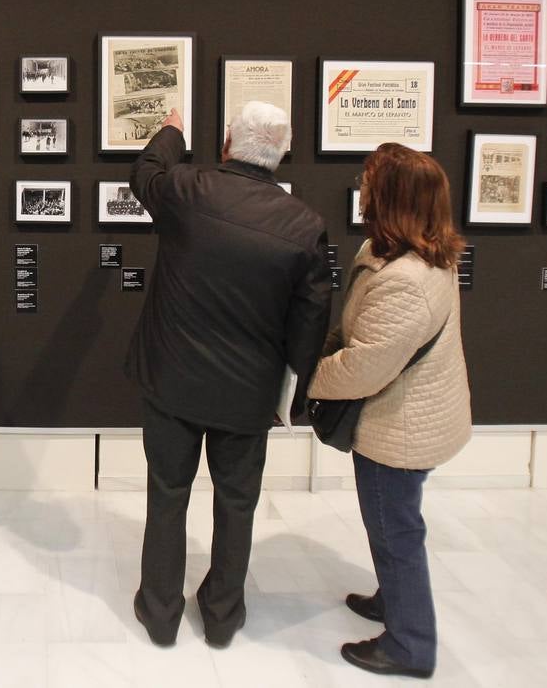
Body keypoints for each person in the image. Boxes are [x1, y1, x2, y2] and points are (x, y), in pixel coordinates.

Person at [126, 102, 332, 648]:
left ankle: (161, 612)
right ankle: (221, 616)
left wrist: (171, 131)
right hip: (248, 393)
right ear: (281, 154)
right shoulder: (305, 227)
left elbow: (144, 172)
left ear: (225, 144)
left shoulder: (189, 191)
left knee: (167, 493)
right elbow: (309, 324)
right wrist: (294, 393)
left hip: (172, 381)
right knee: (236, 502)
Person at [308, 142, 472, 679]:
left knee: (395, 531)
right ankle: (393, 600)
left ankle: (409, 644)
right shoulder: (399, 254)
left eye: (370, 182)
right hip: (409, 415)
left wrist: (303, 379)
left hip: (400, 429)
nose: (362, 190)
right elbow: (357, 330)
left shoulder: (407, 280)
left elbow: (365, 368)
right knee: (393, 524)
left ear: (393, 198)